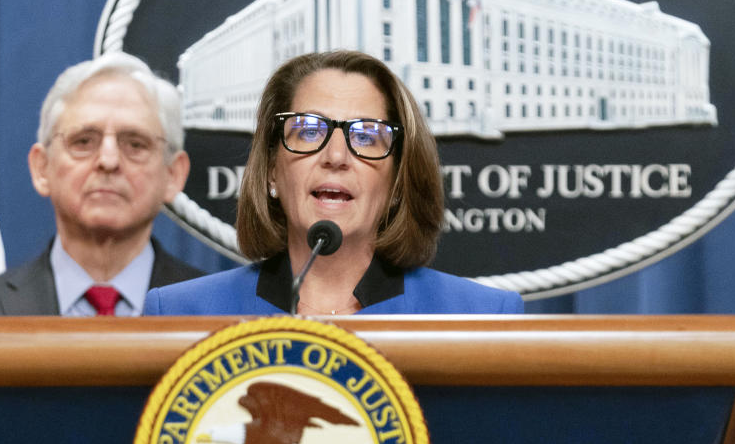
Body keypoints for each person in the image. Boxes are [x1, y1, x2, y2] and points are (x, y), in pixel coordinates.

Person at [144, 50, 522, 315]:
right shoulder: (180, 314)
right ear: (272, 171)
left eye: (366, 136)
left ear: (396, 181)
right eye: (309, 131)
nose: (336, 157)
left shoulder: (480, 318)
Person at [0, 52, 202, 316]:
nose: (108, 160)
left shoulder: (224, 316)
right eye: (83, 142)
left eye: (135, 144)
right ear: (42, 168)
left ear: (173, 174)